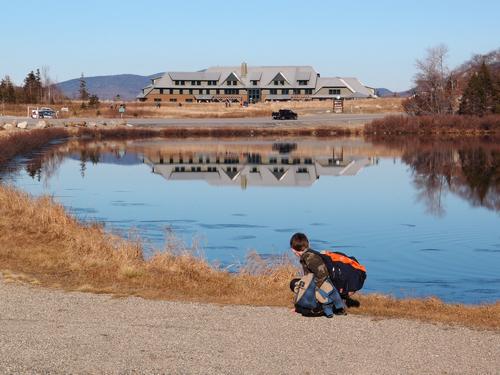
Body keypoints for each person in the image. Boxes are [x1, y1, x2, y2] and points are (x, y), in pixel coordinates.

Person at [290, 232, 346, 317]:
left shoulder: (310, 258)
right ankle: (306, 304)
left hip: (323, 287)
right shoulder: (308, 254)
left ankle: (322, 307)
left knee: (304, 311)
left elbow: (322, 275)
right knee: (294, 283)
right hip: (320, 285)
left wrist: (312, 288)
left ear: (293, 249)